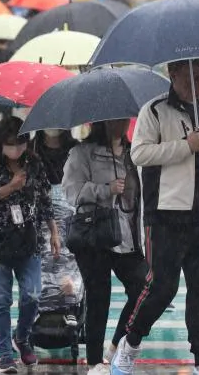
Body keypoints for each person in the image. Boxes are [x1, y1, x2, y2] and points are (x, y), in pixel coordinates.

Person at [112, 58, 199, 375]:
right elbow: (140, 153)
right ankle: (130, 342)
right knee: (162, 288)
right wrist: (184, 146)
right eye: (191, 76)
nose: (198, 82)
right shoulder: (155, 111)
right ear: (173, 74)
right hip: (166, 214)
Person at [0, 116, 62, 374]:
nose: (17, 149)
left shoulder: (34, 164)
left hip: (28, 241)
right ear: (1, 143)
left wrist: (54, 231)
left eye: (21, 142)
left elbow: (45, 200)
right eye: (11, 143)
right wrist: (10, 187)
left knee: (32, 294)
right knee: (2, 300)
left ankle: (21, 337)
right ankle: (5, 355)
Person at [62, 120, 148, 374]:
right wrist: (105, 190)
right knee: (99, 297)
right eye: (113, 120)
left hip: (128, 236)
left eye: (123, 119)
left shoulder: (135, 153)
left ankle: (117, 345)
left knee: (144, 288)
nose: (119, 124)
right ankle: (94, 362)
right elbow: (72, 193)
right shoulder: (82, 153)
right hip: (95, 235)